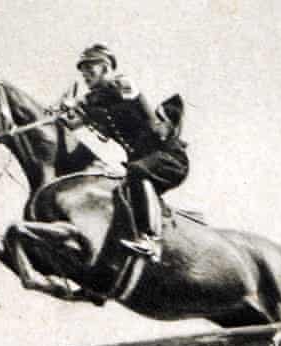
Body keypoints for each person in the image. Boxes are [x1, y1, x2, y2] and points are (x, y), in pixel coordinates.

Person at [59, 43, 189, 262]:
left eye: (90, 69)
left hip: (169, 160)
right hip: (145, 163)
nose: (85, 75)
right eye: (83, 72)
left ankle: (151, 240)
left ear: (106, 67)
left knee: (136, 171)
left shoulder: (123, 84)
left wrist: (80, 103)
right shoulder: (96, 103)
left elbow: (116, 94)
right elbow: (74, 124)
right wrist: (64, 113)